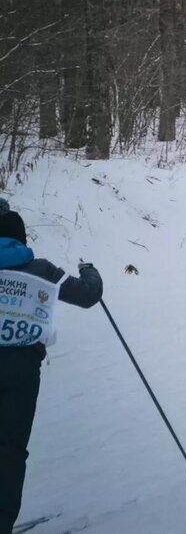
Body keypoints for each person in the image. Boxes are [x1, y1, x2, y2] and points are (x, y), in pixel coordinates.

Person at [0, 199, 103, 533]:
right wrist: (89, 269)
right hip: (23, 370)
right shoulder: (42, 270)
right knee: (10, 451)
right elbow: (88, 295)